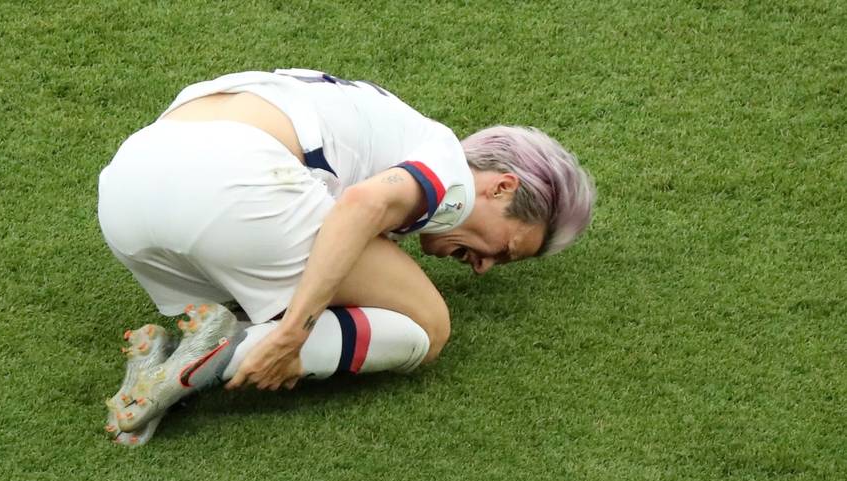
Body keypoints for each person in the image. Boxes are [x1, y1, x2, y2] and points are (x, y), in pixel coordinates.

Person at [98, 68, 595, 446]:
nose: (484, 265)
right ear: (501, 187)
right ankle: (221, 356)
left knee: (310, 283)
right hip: (234, 182)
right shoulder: (451, 172)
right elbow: (362, 205)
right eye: (505, 250)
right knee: (429, 326)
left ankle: (168, 364)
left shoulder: (387, 123)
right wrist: (294, 332)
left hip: (125, 192)